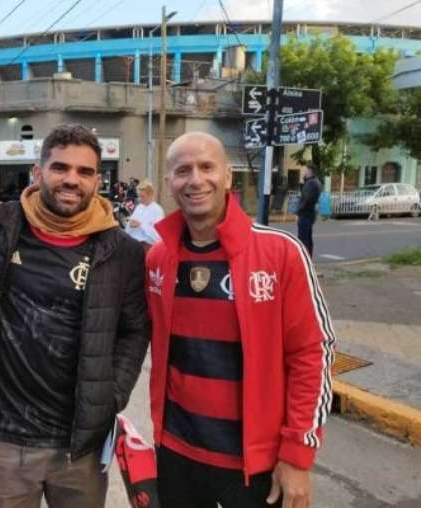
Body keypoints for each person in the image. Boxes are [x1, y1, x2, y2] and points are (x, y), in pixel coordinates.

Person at [0, 124, 150, 508]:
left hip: (82, 443)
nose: (71, 180)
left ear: (97, 180)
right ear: (38, 173)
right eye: (60, 168)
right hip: (6, 438)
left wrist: (114, 395)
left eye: (85, 171)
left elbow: (134, 330)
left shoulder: (121, 250)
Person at [145, 132, 336, 508]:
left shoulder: (280, 253)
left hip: (254, 466)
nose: (196, 180)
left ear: (228, 177)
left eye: (206, 167)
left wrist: (297, 455)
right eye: (183, 170)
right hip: (176, 455)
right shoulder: (158, 259)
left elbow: (312, 354)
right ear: (169, 182)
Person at [124, 180, 164, 251]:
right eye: (138, 196)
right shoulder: (139, 207)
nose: (139, 199)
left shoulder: (157, 210)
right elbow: (129, 228)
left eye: (142, 196)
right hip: (134, 245)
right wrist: (130, 224)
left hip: (148, 247)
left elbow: (158, 236)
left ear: (150, 195)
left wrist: (141, 225)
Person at [296, 164, 322, 256]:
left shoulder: (311, 183)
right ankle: (308, 258)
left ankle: (304, 258)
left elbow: (307, 199)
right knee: (307, 238)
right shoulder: (314, 182)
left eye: (306, 171)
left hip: (305, 214)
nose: (304, 172)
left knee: (303, 239)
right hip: (309, 214)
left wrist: (299, 210)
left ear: (310, 171)